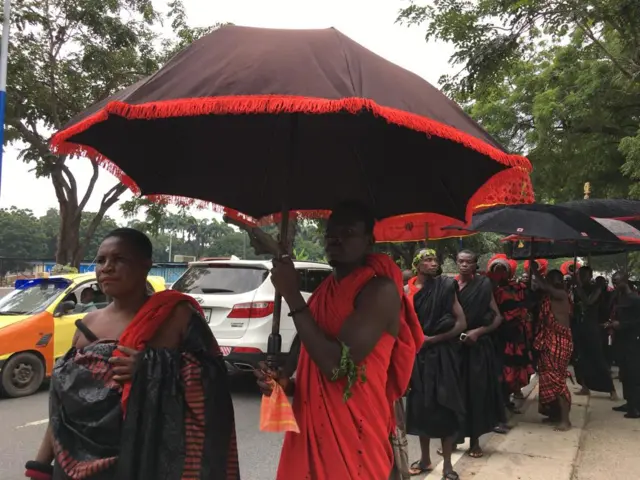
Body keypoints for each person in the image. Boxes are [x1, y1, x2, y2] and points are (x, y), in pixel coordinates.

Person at [25, 228, 239, 480]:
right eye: (101, 260)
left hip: (146, 461)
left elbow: (215, 381)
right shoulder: (86, 325)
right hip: (71, 465)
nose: (106, 267)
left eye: (119, 259)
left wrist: (150, 367)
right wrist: (40, 466)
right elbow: (64, 411)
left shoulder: (175, 317)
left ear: (145, 265)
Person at [255, 201, 423, 480]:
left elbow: (336, 366)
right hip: (312, 427)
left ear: (369, 240)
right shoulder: (324, 290)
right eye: (331, 232)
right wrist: (283, 380)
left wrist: (293, 296)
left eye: (347, 232)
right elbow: (307, 349)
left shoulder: (380, 291)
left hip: (356, 432)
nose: (336, 239)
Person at [405, 249, 466, 479]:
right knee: (422, 408)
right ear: (417, 265)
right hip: (419, 357)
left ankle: (448, 464)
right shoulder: (407, 292)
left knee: (445, 407)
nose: (433, 263)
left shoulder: (446, 286)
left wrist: (434, 339)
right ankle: (425, 459)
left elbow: (461, 323)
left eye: (435, 259)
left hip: (442, 356)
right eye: (428, 260)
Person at [455, 250, 504, 458]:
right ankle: (452, 440)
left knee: (475, 393)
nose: (465, 265)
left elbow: (497, 318)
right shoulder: (449, 286)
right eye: (461, 261)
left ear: (475, 264)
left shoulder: (483, 285)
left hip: (477, 348)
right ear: (456, 263)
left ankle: (475, 442)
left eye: (469, 262)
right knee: (454, 394)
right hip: (454, 346)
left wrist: (478, 332)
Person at [487, 255, 534, 417]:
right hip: (496, 334)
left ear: (509, 272)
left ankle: (507, 401)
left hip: (516, 335)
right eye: (496, 270)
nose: (500, 273)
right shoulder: (488, 288)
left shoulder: (519, 287)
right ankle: (497, 406)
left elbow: (527, 305)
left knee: (512, 369)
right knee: (498, 371)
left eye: (502, 270)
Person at [532, 268, 573, 431]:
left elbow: (544, 287)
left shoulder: (561, 294)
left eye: (558, 279)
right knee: (548, 379)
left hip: (559, 341)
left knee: (557, 380)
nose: (556, 282)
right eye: (553, 279)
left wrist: (534, 271)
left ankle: (565, 420)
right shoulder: (548, 297)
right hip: (548, 340)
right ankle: (554, 414)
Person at [572, 266, 617, 399]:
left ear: (589, 276)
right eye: (580, 275)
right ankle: (585, 386)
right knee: (580, 359)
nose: (581, 277)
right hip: (579, 326)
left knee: (597, 358)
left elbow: (588, 301)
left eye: (583, 275)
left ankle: (611, 389)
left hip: (591, 327)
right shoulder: (575, 289)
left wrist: (578, 287)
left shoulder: (596, 289)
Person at [608, 272, 640, 418]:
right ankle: (629, 402)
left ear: (625, 281)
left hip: (632, 341)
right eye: (613, 281)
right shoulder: (618, 297)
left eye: (617, 281)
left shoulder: (634, 299)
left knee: (633, 374)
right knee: (624, 373)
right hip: (620, 340)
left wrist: (622, 325)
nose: (615, 284)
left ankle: (636, 407)